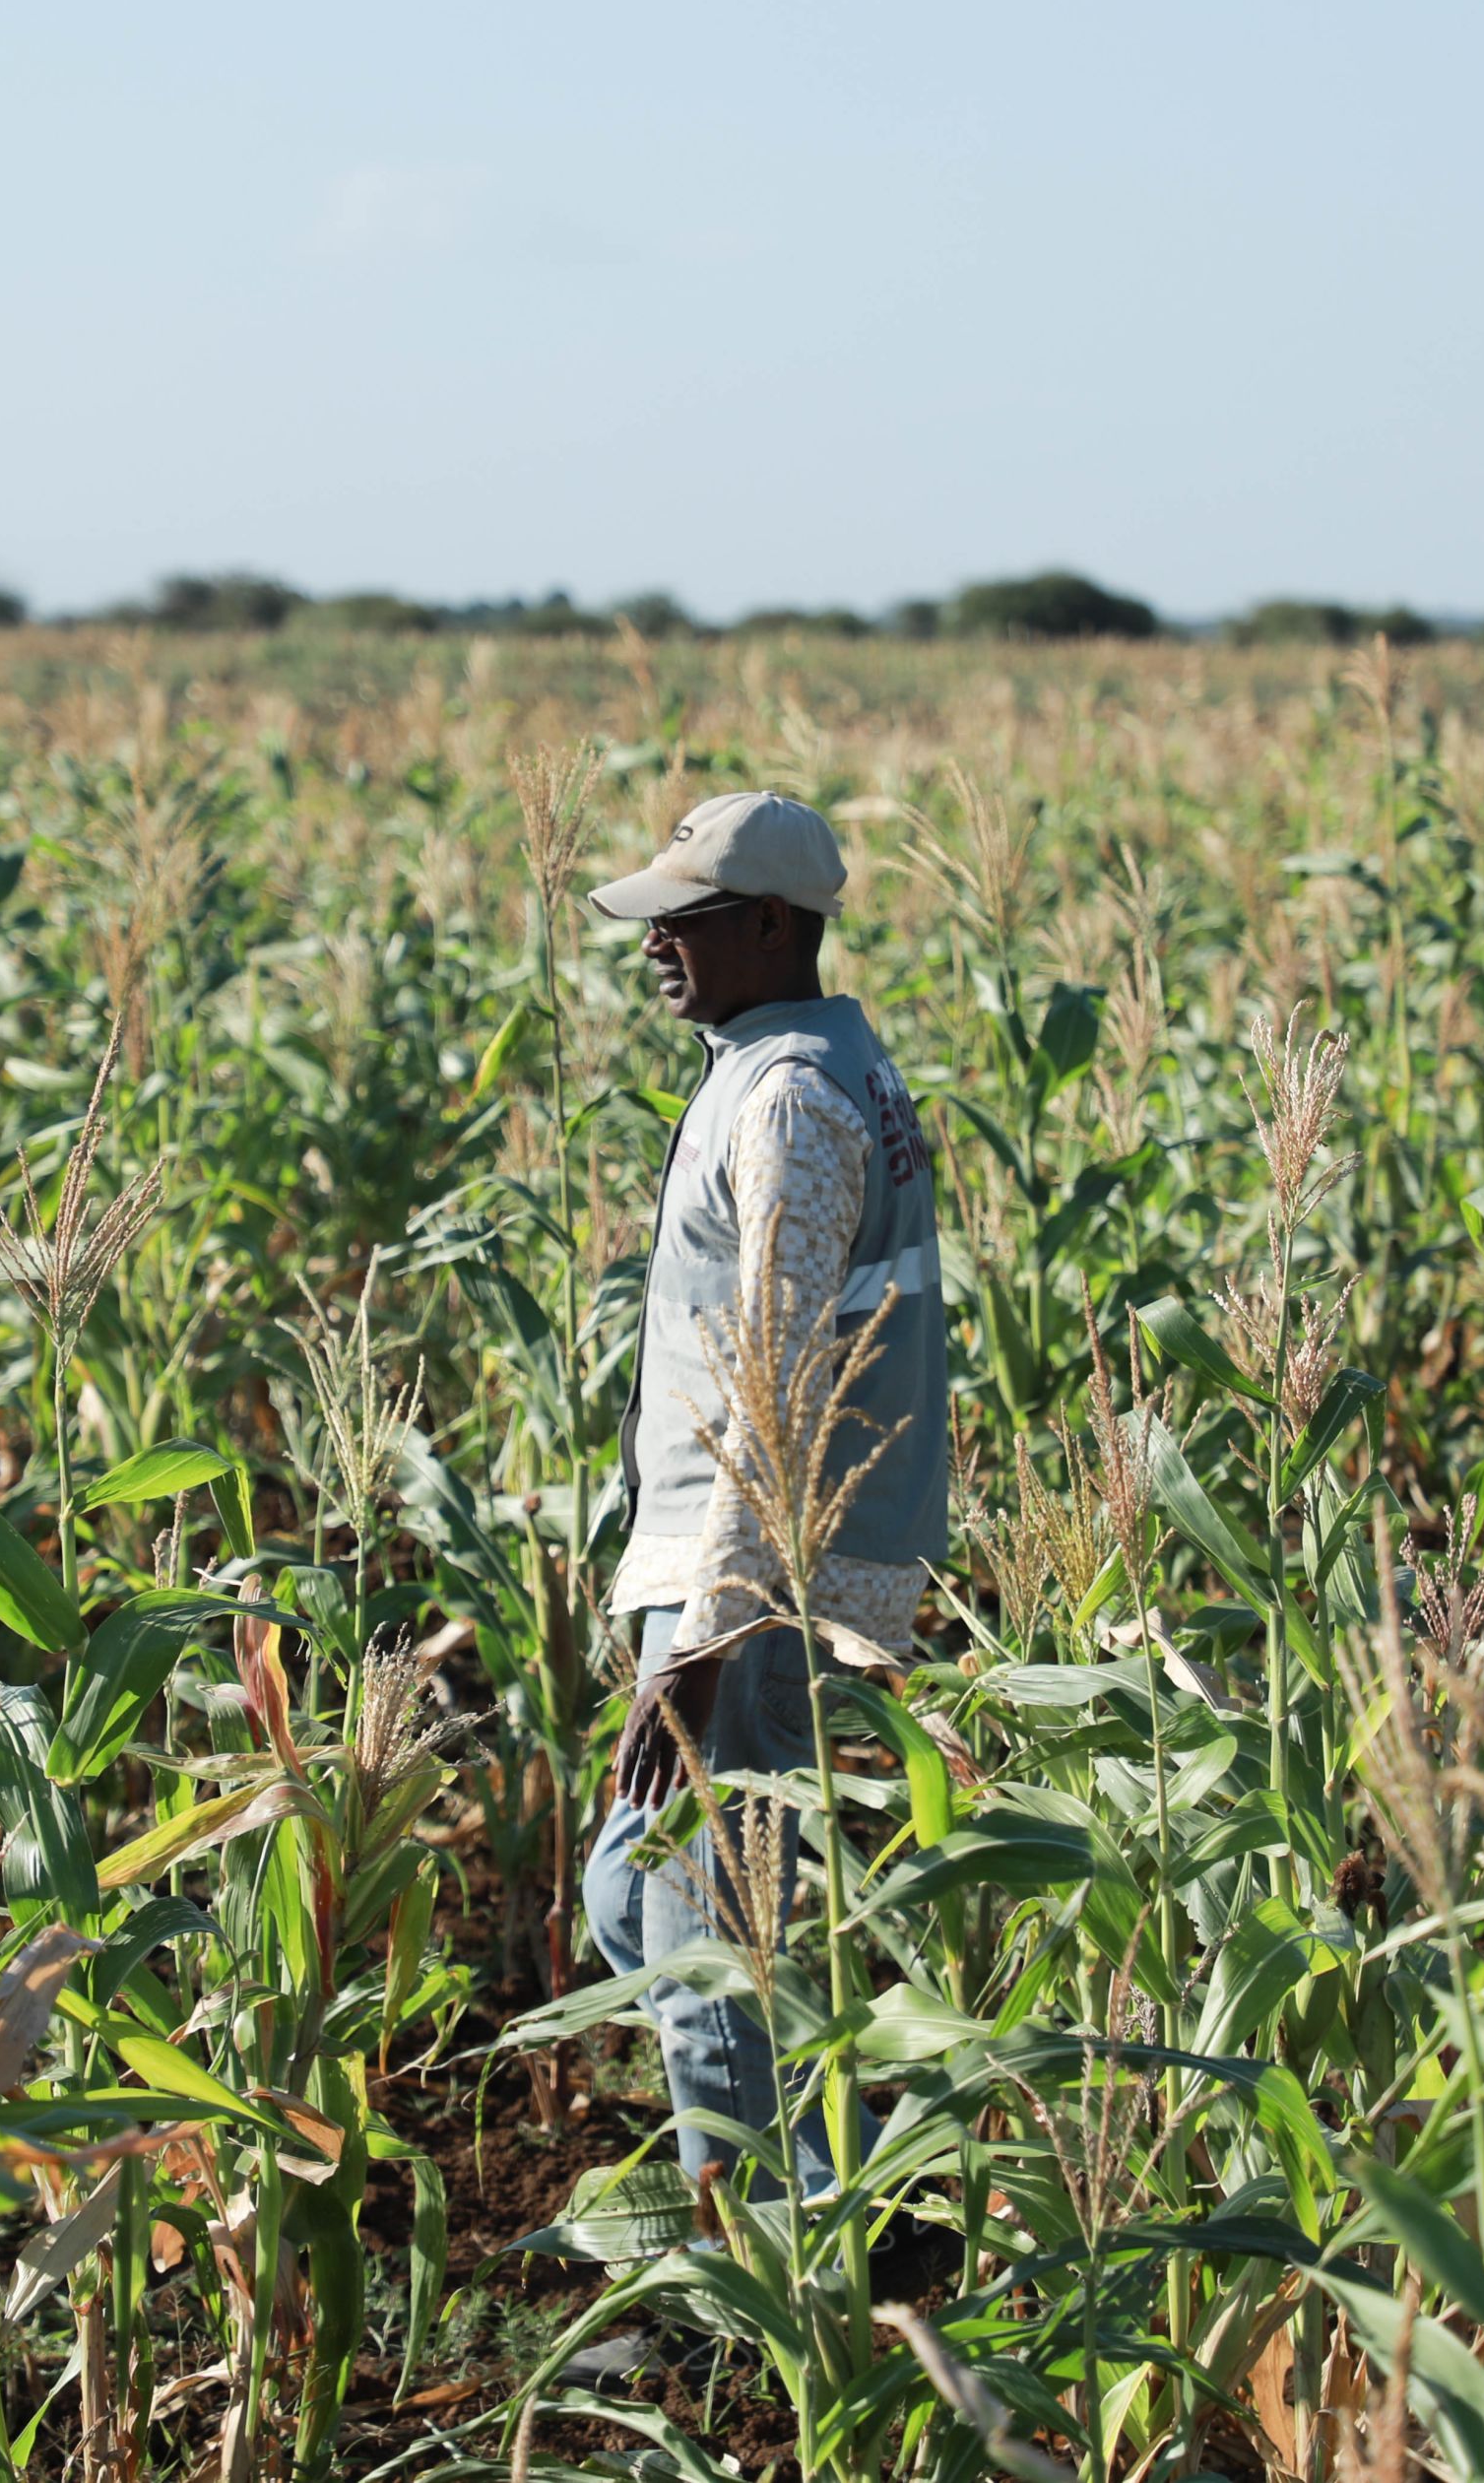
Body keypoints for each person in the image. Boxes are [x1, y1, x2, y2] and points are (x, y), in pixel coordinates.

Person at [576, 790, 948, 2205]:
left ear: (775, 926)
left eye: (687, 919)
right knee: (636, 1896)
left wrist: (716, 1628)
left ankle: (764, 2247)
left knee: (694, 1925)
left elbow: (779, 1385)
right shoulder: (797, 1063)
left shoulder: (790, 1096)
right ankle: (814, 2179)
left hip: (760, 1567)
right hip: (739, 1555)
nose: (656, 943)